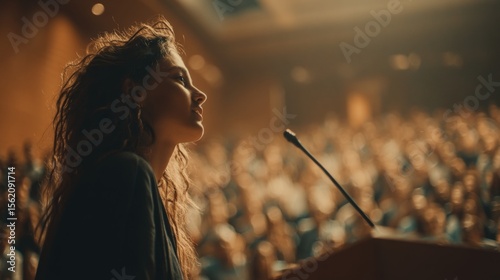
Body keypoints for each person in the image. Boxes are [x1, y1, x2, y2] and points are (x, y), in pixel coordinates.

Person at [34, 16, 207, 280]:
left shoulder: (123, 175)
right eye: (180, 79)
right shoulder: (125, 171)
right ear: (134, 92)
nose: (200, 94)